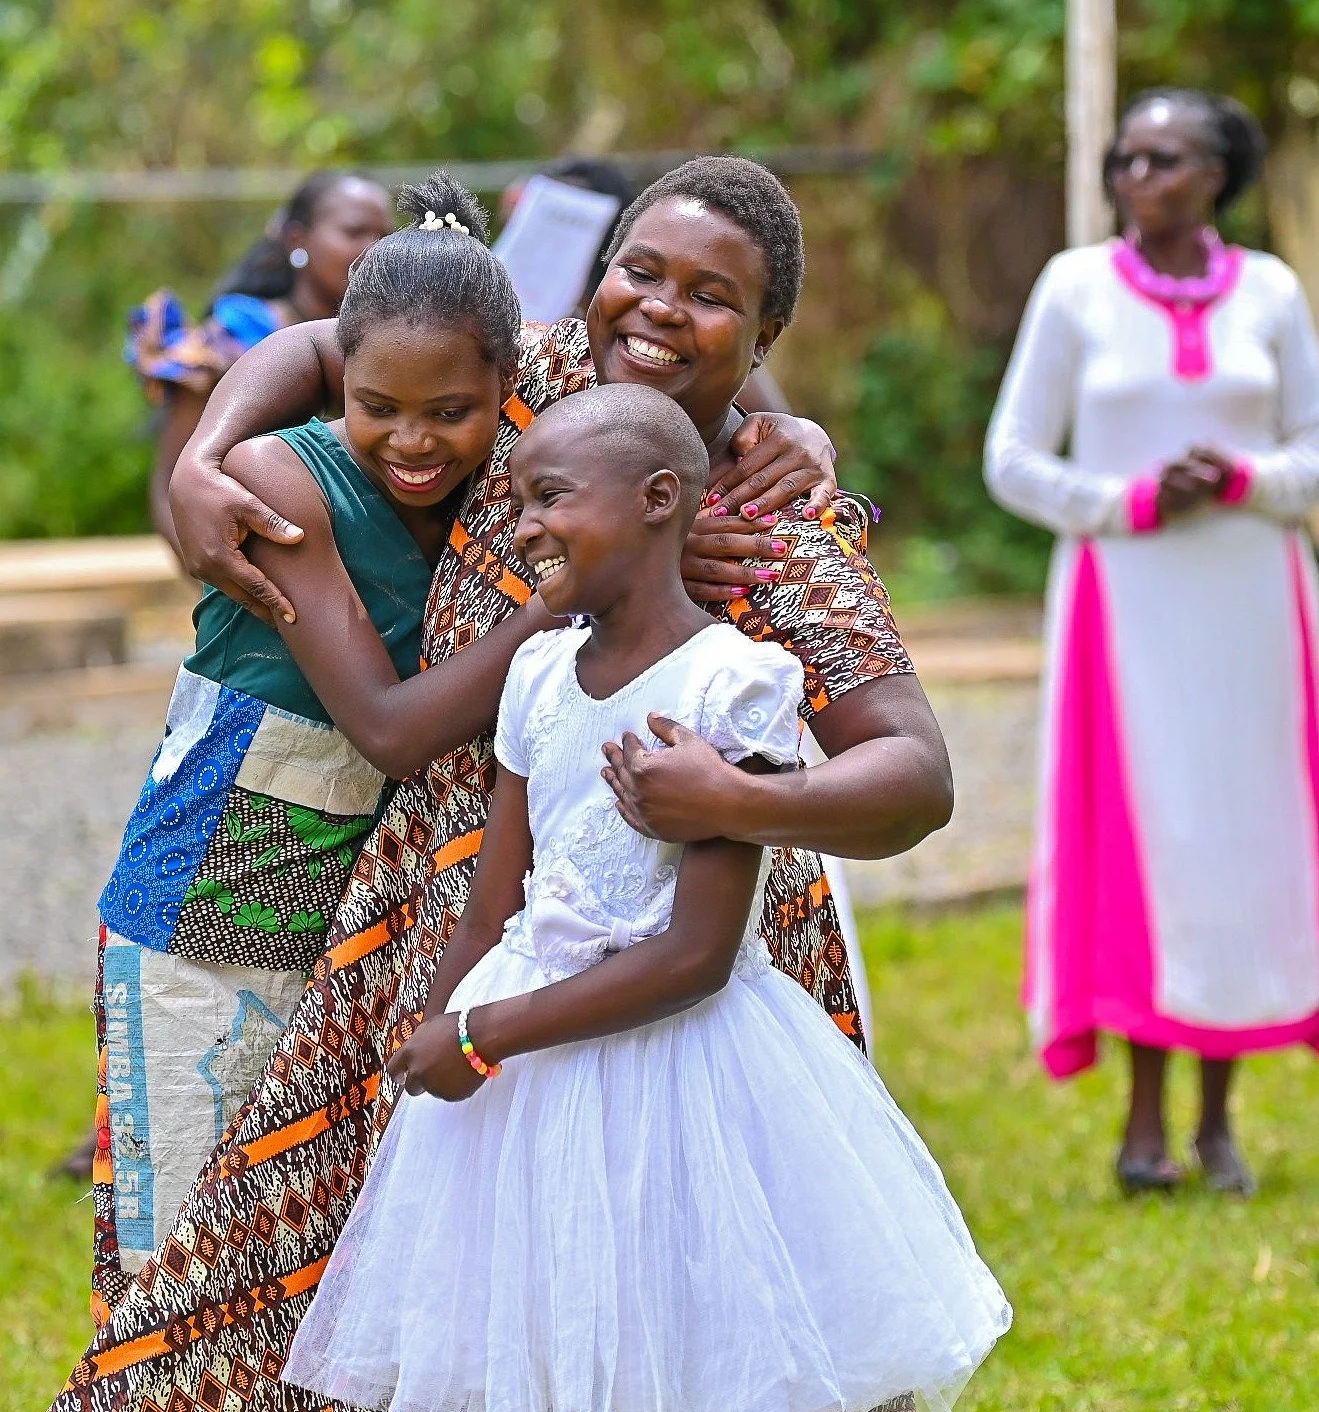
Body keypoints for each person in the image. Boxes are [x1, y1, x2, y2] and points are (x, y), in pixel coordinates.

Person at [57, 157, 953, 1405]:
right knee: (348, 1272)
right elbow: (332, 342)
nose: (658, 308)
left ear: (766, 337)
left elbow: (912, 771)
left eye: (709, 296)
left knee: (680, 1292)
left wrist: (739, 797)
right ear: (596, 277)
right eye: (639, 271)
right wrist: (204, 450)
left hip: (681, 937)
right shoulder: (524, 391)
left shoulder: (767, 528)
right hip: (441, 915)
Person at [284, 384, 1010, 1412]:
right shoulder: (537, 674)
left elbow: (694, 957)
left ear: (659, 498)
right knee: (536, 1336)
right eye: (519, 504)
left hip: (679, 1072)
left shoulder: (731, 684)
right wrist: (437, 1041)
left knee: (677, 1340)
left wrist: (482, 1034)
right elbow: (495, 908)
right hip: (524, 1080)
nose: (523, 527)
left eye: (550, 497)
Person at [89, 174, 544, 1316]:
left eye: (449, 410)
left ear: (509, 381)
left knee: (321, 1260)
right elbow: (388, 731)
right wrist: (569, 601)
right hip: (208, 896)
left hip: (362, 917)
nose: (412, 440)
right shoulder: (279, 477)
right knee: (183, 1263)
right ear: (344, 374)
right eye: (379, 404)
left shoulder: (509, 469)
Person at [984, 89, 1319, 1196]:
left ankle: (1218, 1123)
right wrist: (1127, 500)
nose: (1137, 176)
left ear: (1217, 173)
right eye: (1124, 158)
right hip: (1124, 605)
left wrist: (1241, 479)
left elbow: (1312, 449)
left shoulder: (1269, 291)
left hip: (1255, 608)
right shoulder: (1072, 287)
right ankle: (1140, 1126)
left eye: (1164, 159)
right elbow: (1011, 459)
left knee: (1240, 842)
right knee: (1143, 836)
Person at [127, 169, 393, 556]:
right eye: (354, 232)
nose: (374, 249)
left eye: (385, 235)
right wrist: (220, 579)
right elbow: (173, 485)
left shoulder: (394, 342)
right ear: (298, 240)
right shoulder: (235, 338)